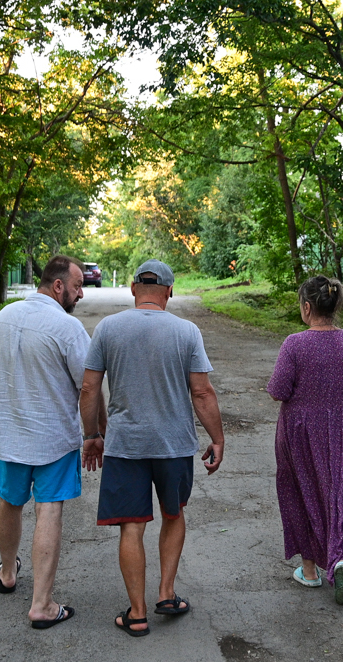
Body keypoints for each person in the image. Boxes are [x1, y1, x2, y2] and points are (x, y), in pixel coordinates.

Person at [79, 259, 226, 639]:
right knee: (173, 515)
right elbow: (201, 391)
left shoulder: (108, 328)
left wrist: (91, 434)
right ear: (169, 291)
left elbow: (89, 389)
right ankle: (166, 593)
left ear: (132, 289)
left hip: (125, 445)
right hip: (173, 445)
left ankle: (138, 613)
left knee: (131, 525)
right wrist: (218, 438)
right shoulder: (187, 331)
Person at [0, 254, 97, 630]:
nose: (80, 294)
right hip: (54, 442)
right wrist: (95, 433)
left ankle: (8, 573)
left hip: (12, 437)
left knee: (9, 502)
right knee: (49, 510)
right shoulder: (67, 328)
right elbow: (89, 387)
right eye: (77, 286)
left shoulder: (1, 318)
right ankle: (42, 605)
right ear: (58, 286)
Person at [267, 275, 343, 605]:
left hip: (299, 433)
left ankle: (310, 571)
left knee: (301, 490)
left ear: (307, 307)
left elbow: (278, 390)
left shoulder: (294, 344)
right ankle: (342, 558)